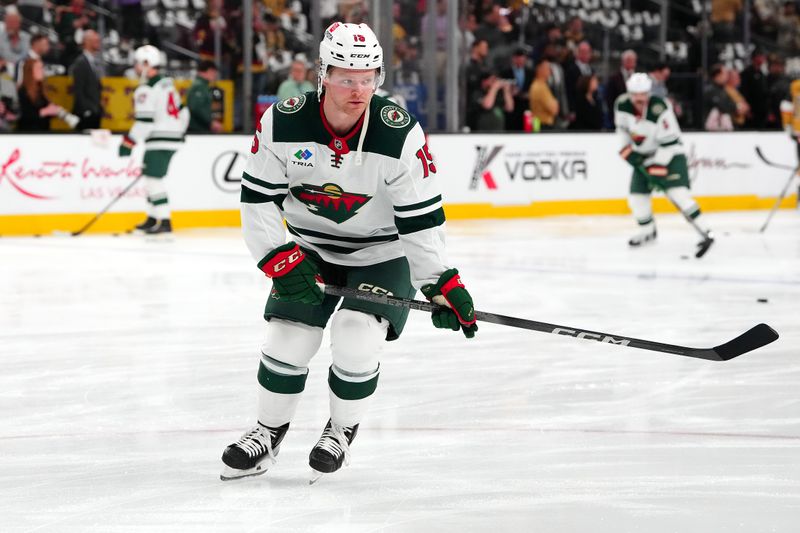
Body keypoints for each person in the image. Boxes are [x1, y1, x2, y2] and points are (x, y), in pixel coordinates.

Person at [220, 21, 478, 483]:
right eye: (345, 77)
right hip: (309, 248)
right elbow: (258, 201)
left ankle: (340, 431)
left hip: (382, 253)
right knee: (288, 338)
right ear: (323, 74)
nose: (358, 89)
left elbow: (420, 222)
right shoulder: (283, 121)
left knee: (356, 332)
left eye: (368, 77)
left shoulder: (399, 135)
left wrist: (441, 282)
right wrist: (279, 259)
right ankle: (267, 432)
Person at [615, 73, 714, 256]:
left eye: (643, 94)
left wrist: (657, 168)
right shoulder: (621, 104)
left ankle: (706, 231)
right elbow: (622, 131)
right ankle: (647, 233)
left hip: (670, 156)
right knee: (637, 197)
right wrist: (629, 153)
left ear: (649, 92)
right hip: (642, 157)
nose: (639, 98)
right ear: (629, 93)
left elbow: (669, 144)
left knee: (679, 194)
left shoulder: (659, 108)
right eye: (635, 94)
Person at [118, 45, 189, 235]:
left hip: (159, 139)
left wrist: (128, 142)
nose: (136, 67)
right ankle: (152, 217)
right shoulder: (168, 86)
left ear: (147, 64)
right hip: (171, 138)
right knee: (150, 178)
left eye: (138, 63)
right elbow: (184, 112)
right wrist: (178, 132)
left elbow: (145, 122)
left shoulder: (146, 89)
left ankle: (164, 220)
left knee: (153, 179)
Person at [17, 58, 78, 131]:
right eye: (39, 68)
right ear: (30, 71)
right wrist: (46, 111)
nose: (42, 71)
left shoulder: (41, 91)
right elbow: (25, 115)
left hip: (44, 131)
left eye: (42, 68)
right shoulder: (23, 91)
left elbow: (45, 111)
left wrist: (55, 111)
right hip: (29, 133)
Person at [69, 29, 103, 130]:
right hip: (85, 114)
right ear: (87, 42)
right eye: (96, 41)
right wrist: (87, 110)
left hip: (95, 112)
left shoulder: (93, 61)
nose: (99, 43)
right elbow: (78, 90)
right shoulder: (80, 63)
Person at [186, 60, 222, 133]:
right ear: (209, 70)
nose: (215, 75)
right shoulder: (199, 86)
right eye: (214, 72)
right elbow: (196, 107)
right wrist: (211, 122)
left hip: (200, 129)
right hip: (197, 130)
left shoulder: (202, 85)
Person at [528, 59, 559, 130]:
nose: (550, 71)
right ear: (539, 69)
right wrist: (555, 103)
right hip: (542, 125)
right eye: (548, 68)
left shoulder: (539, 85)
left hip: (537, 123)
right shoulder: (540, 87)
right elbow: (554, 110)